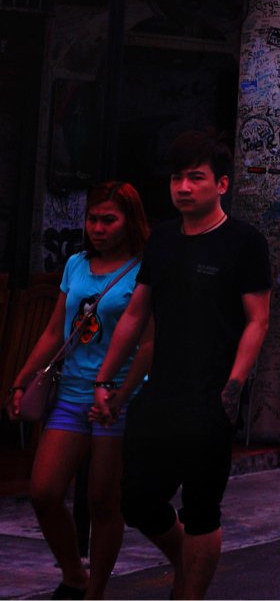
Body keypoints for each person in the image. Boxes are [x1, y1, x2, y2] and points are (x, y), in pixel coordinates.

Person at [93, 131, 270, 601]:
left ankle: (189, 594)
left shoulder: (244, 243)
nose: (184, 188)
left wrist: (232, 388)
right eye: (177, 178)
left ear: (222, 184)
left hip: (211, 395)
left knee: (201, 509)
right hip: (160, 394)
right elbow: (136, 313)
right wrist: (105, 379)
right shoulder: (163, 240)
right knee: (138, 501)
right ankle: (184, 564)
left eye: (196, 178)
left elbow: (257, 320)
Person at [8, 183, 153, 600]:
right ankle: (74, 575)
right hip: (70, 394)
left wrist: (120, 393)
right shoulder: (75, 264)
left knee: (104, 501)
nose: (98, 228)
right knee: (44, 492)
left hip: (117, 400)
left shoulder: (144, 271)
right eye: (92, 219)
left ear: (130, 221)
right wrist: (21, 380)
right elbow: (56, 331)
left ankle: (95, 592)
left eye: (109, 220)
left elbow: (148, 344)